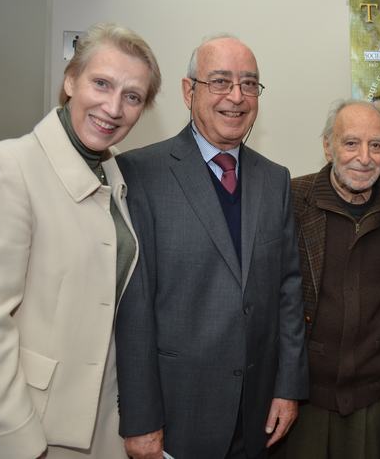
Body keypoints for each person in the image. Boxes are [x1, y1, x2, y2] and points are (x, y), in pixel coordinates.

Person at [0, 22, 161, 459]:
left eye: (132, 96)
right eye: (101, 83)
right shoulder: (8, 167)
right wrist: (16, 441)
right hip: (33, 423)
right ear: (70, 81)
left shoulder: (117, 174)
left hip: (102, 419)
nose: (113, 107)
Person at [115, 35, 308, 459]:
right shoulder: (139, 174)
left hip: (257, 413)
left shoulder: (275, 179)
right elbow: (133, 310)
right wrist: (141, 419)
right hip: (178, 414)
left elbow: (288, 291)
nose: (236, 97)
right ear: (189, 91)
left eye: (249, 84)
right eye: (220, 81)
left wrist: (288, 387)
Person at [271, 100, 380, 459]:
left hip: (378, 400)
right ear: (327, 146)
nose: (364, 158)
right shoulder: (289, 200)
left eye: (376, 145)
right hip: (303, 399)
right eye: (351, 143)